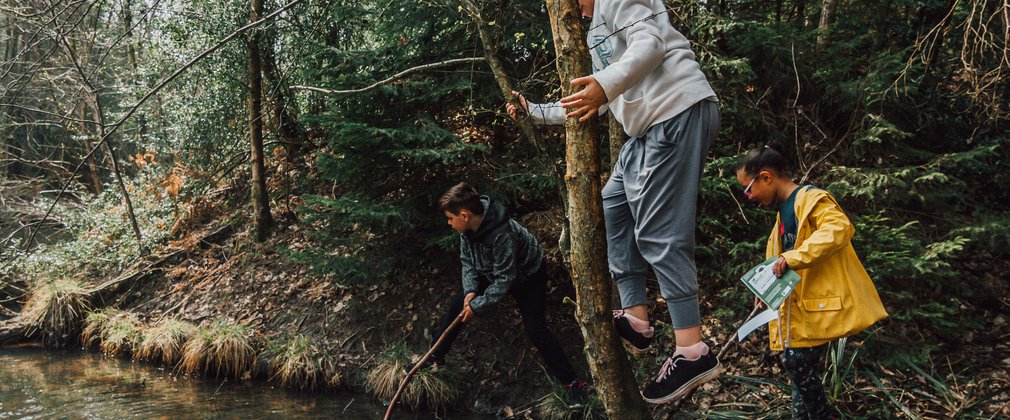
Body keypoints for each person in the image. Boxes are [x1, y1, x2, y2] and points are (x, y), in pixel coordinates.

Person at [507, 0, 721, 404]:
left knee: (660, 233)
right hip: (645, 129)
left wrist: (606, 84)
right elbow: (598, 98)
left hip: (676, 109)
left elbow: (650, 44)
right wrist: (533, 112)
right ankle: (637, 319)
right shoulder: (591, 32)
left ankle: (692, 351)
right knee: (613, 203)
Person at [736, 147, 888, 419]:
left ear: (766, 177)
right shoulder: (782, 216)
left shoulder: (811, 199)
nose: (748, 197)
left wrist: (793, 257)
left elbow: (838, 228)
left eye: (747, 189)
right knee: (797, 376)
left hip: (819, 306)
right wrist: (766, 291)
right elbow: (779, 266)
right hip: (801, 311)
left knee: (795, 362)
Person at [426, 182, 586, 402]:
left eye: (450, 218)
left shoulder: (502, 234)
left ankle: (572, 383)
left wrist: (478, 306)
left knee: (536, 329)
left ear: (464, 215)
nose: (448, 223)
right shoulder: (466, 228)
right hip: (491, 269)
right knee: (457, 306)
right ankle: (434, 357)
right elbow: (468, 261)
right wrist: (471, 290)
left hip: (527, 275)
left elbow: (505, 280)